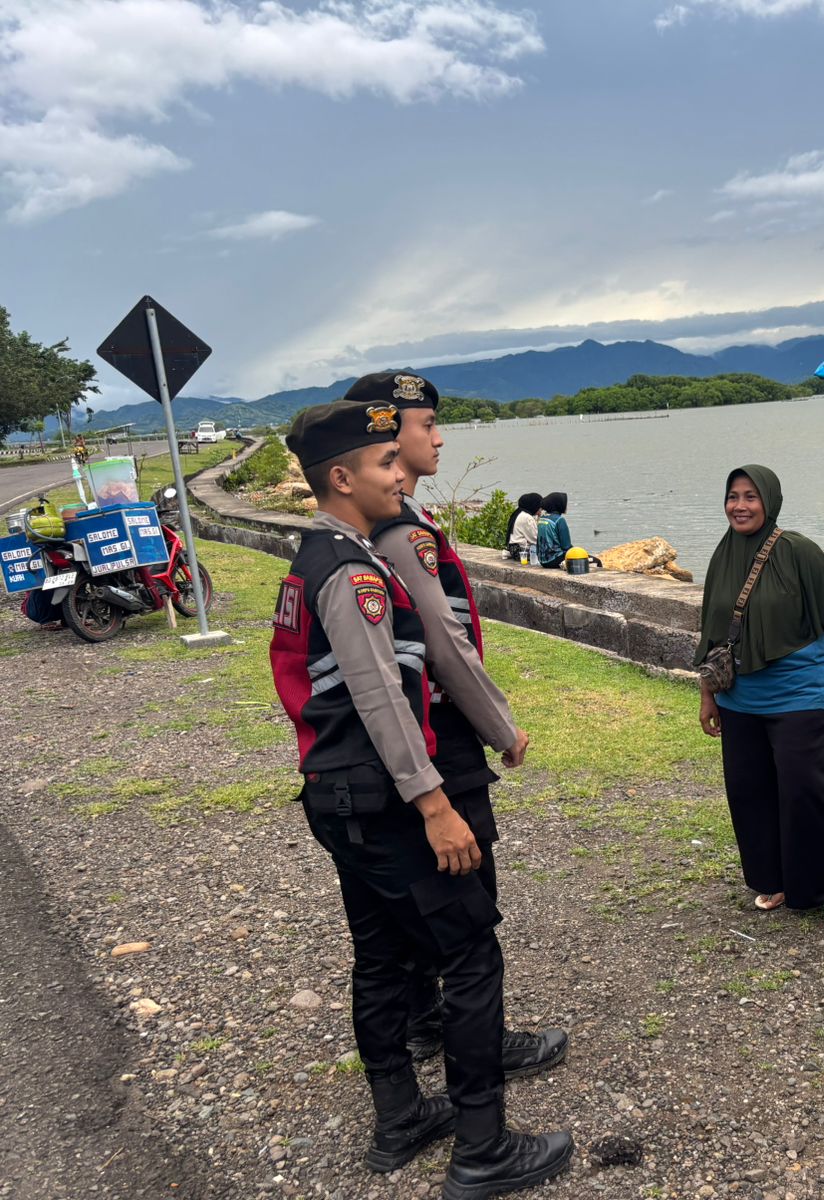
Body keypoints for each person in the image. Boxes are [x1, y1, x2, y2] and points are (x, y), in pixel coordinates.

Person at [270, 400, 572, 1195]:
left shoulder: (313, 559)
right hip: (384, 799)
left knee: (381, 955)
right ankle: (484, 1147)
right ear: (342, 479)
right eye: (384, 464)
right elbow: (380, 697)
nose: (400, 475)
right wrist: (435, 806)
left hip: (336, 793)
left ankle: (400, 1116)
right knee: (470, 954)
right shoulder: (353, 573)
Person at [360, 372, 567, 1080]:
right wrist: (501, 725)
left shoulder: (379, 525)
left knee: (419, 894)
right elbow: (444, 643)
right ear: (388, 434)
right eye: (427, 424)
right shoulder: (400, 531)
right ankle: (478, 1040)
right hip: (438, 732)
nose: (439, 438)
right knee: (467, 894)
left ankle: (424, 1021)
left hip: (413, 731)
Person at [694, 465, 824, 924]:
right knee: (749, 790)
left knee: (805, 789)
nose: (740, 506)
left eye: (750, 496)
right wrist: (708, 695)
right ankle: (776, 878)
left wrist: (820, 665)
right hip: (739, 696)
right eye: (733, 496)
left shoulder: (798, 551)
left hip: (799, 691)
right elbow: (712, 633)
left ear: (769, 500)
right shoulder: (723, 555)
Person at [534, 493, 572, 568]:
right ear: (559, 505)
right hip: (555, 559)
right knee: (591, 559)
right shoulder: (559, 520)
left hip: (542, 561)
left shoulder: (542, 518)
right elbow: (566, 546)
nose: (567, 506)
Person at [503, 493, 542, 562]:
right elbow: (534, 539)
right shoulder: (527, 518)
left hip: (514, 550)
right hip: (522, 551)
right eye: (540, 507)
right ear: (534, 505)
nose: (541, 509)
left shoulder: (518, 513)